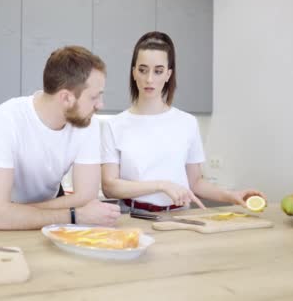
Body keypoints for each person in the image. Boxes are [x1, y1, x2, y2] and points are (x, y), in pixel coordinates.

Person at [101, 32, 265, 212]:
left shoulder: (187, 123)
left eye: (158, 71)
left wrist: (231, 196)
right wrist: (161, 185)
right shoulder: (114, 125)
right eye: (142, 69)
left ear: (168, 74)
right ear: (133, 73)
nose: (149, 79)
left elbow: (195, 183)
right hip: (131, 217)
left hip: (178, 216)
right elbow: (109, 188)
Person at [0, 46, 121, 230]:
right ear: (66, 98)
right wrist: (73, 214)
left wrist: (12, 213)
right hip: (40, 214)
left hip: (51, 211)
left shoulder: (87, 122)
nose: (100, 105)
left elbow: (86, 196)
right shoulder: (7, 117)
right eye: (94, 97)